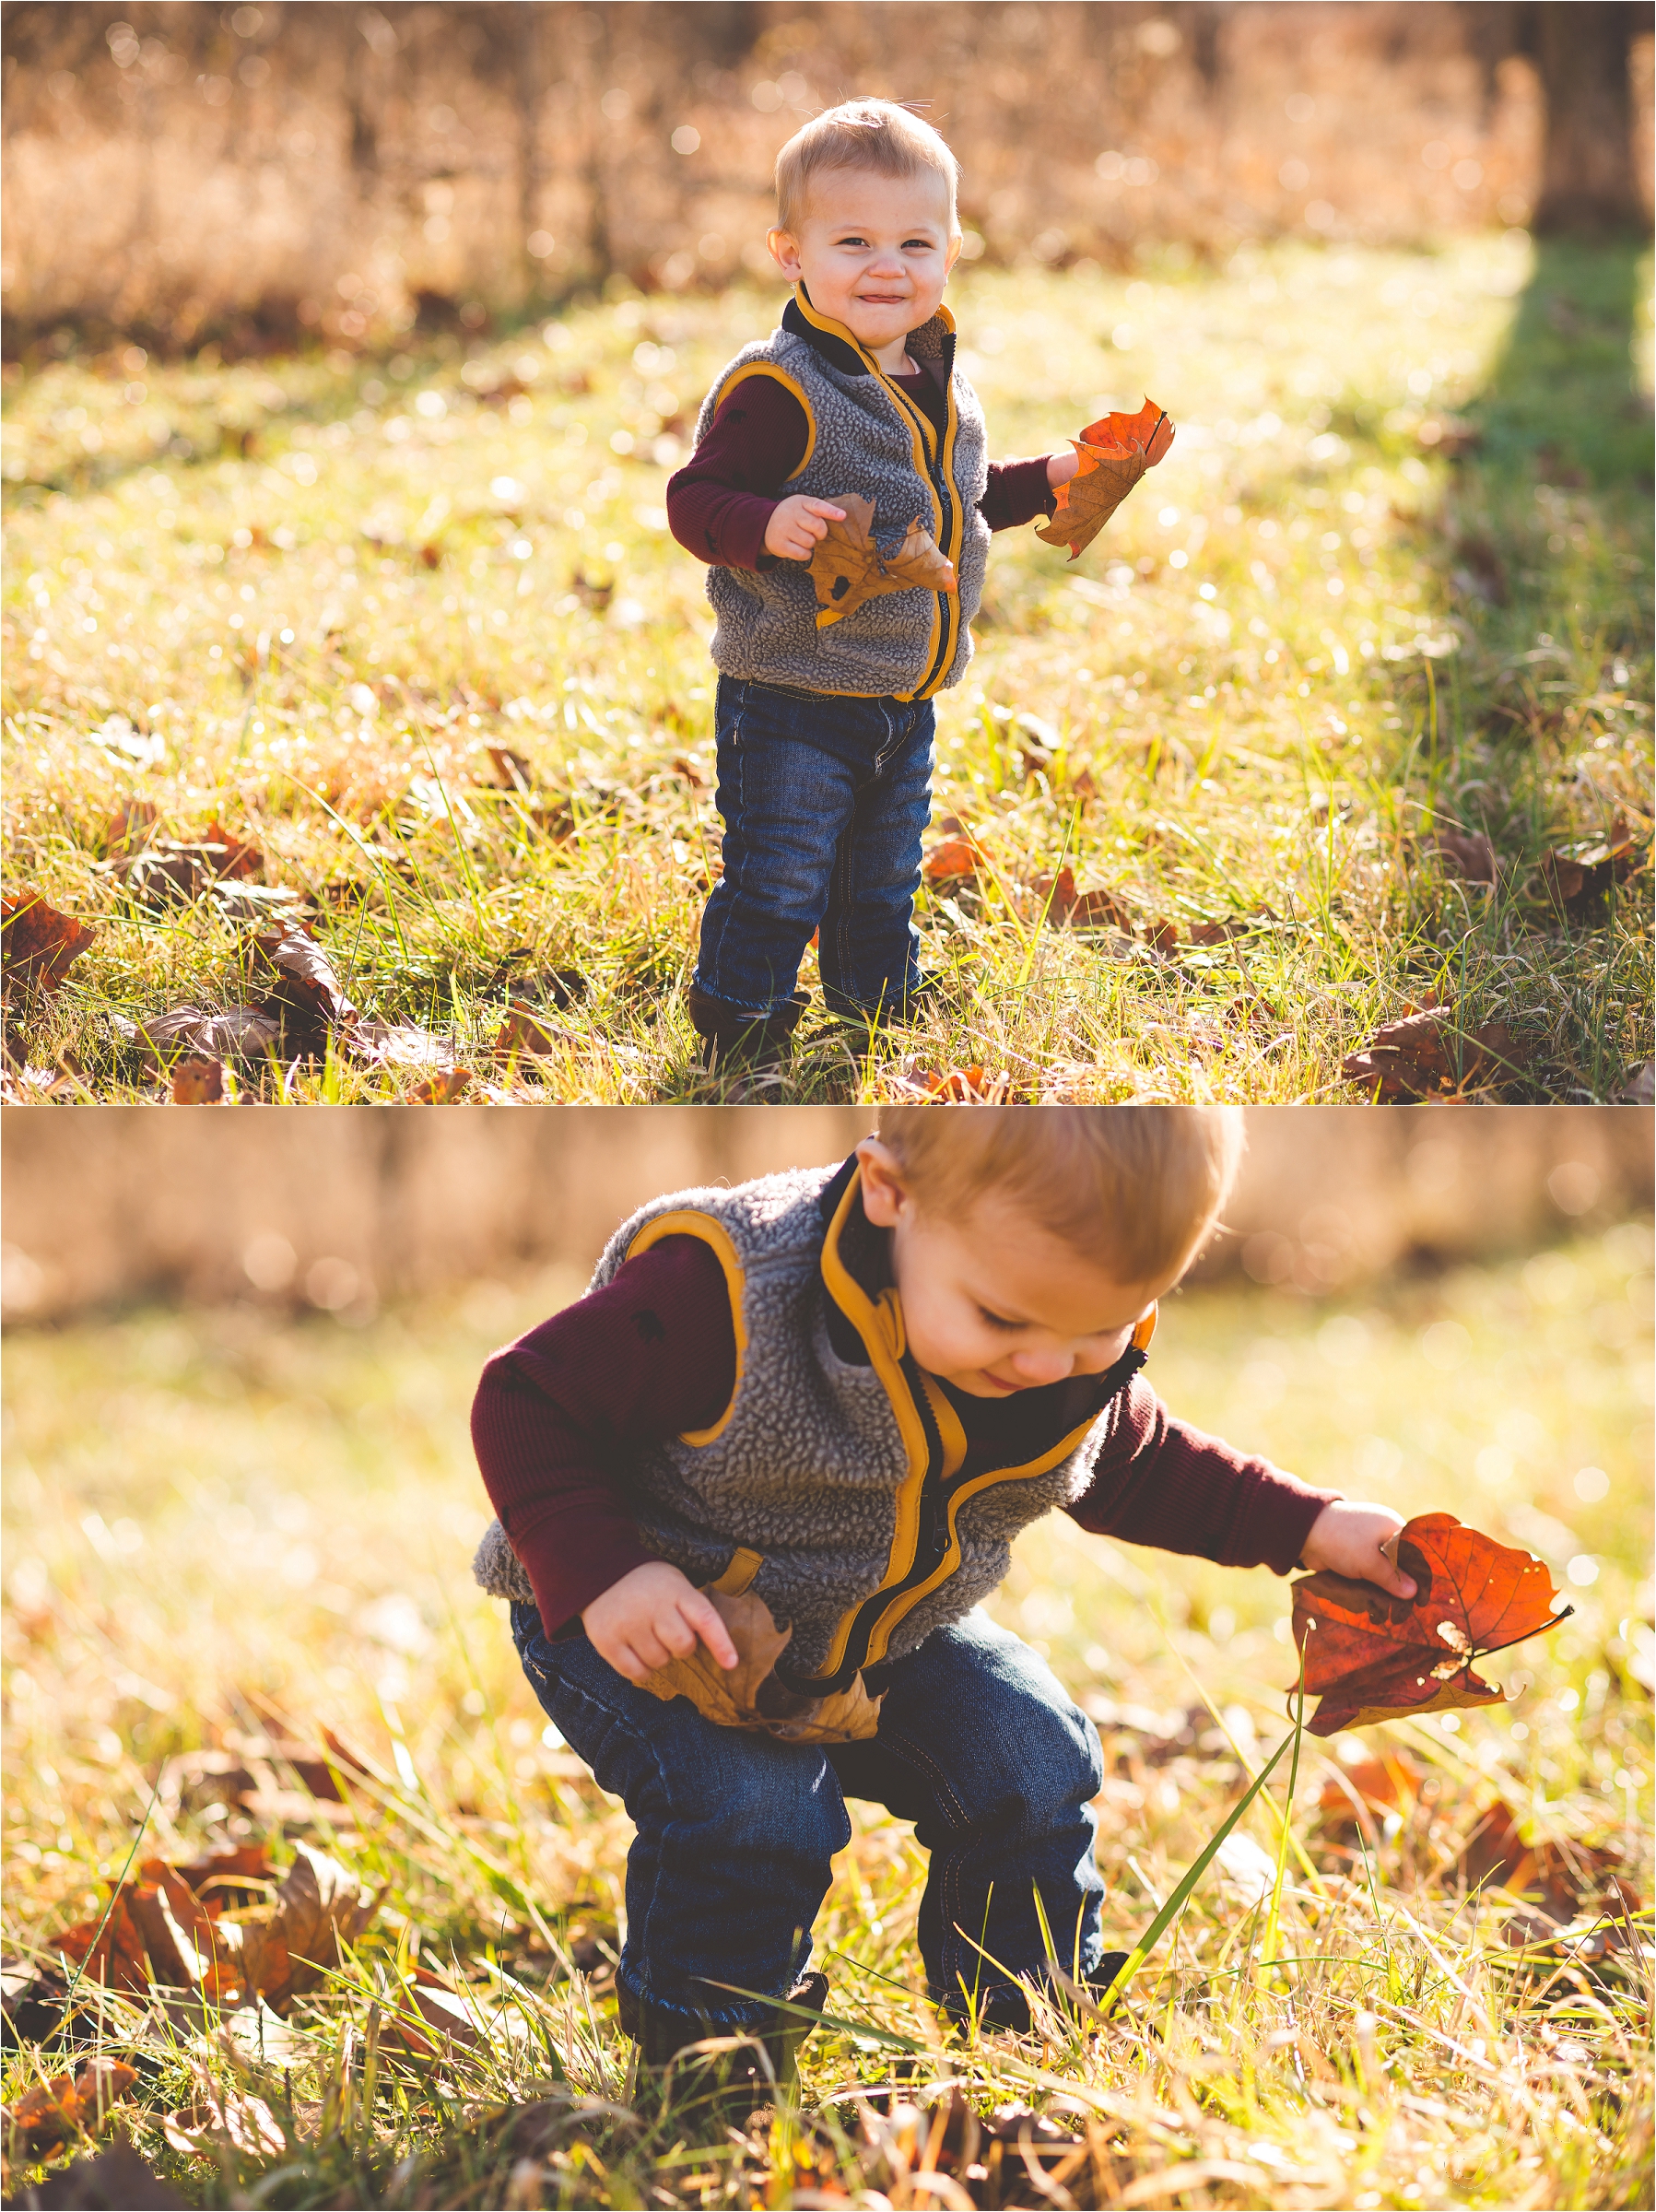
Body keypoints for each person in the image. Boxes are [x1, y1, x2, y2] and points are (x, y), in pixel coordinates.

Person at [471, 1107, 1417, 2089]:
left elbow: (1135, 1463)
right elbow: (527, 1396)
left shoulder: (1052, 1347)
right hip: (646, 1616)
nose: (1047, 1366)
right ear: (890, 1193)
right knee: (755, 1811)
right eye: (1005, 1320)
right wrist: (605, 1573)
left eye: (1100, 1327)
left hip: (869, 1627)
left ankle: (1027, 2025)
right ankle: (715, 2070)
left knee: (1027, 1751)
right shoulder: (731, 1291)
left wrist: (1313, 1524)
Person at [664, 99, 1087, 1069]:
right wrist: (763, 524)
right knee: (780, 870)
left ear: (951, 251)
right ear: (790, 253)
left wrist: (1047, 481)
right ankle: (743, 1020)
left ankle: (873, 1008)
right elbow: (696, 501)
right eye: (852, 241)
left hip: (901, 696)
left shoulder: (935, 378)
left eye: (914, 241)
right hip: (793, 694)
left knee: (880, 872)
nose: (887, 266)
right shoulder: (780, 387)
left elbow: (960, 503)